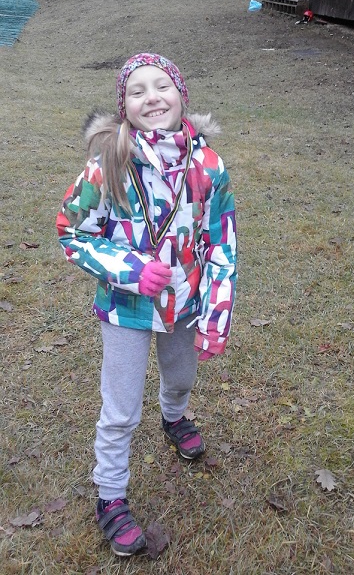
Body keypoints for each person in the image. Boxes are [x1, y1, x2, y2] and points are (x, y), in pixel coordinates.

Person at [56, 53, 237, 557]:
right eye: (137, 91)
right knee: (120, 411)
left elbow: (222, 244)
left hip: (185, 304)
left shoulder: (208, 166)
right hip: (126, 308)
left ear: (181, 95)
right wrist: (130, 269)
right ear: (125, 106)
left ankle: (174, 417)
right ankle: (110, 496)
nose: (152, 97)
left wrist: (217, 314)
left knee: (180, 378)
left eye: (162, 86)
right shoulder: (108, 163)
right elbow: (72, 232)